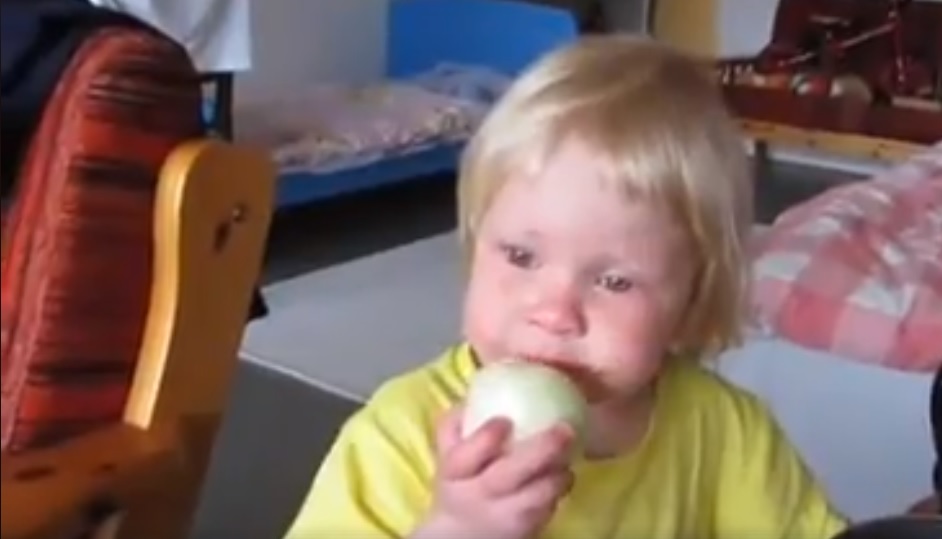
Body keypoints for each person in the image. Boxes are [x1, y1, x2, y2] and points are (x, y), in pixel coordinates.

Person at [285, 36, 848, 539]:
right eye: (521, 256)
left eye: (613, 280)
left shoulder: (726, 436)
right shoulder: (402, 434)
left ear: (690, 302)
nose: (554, 313)